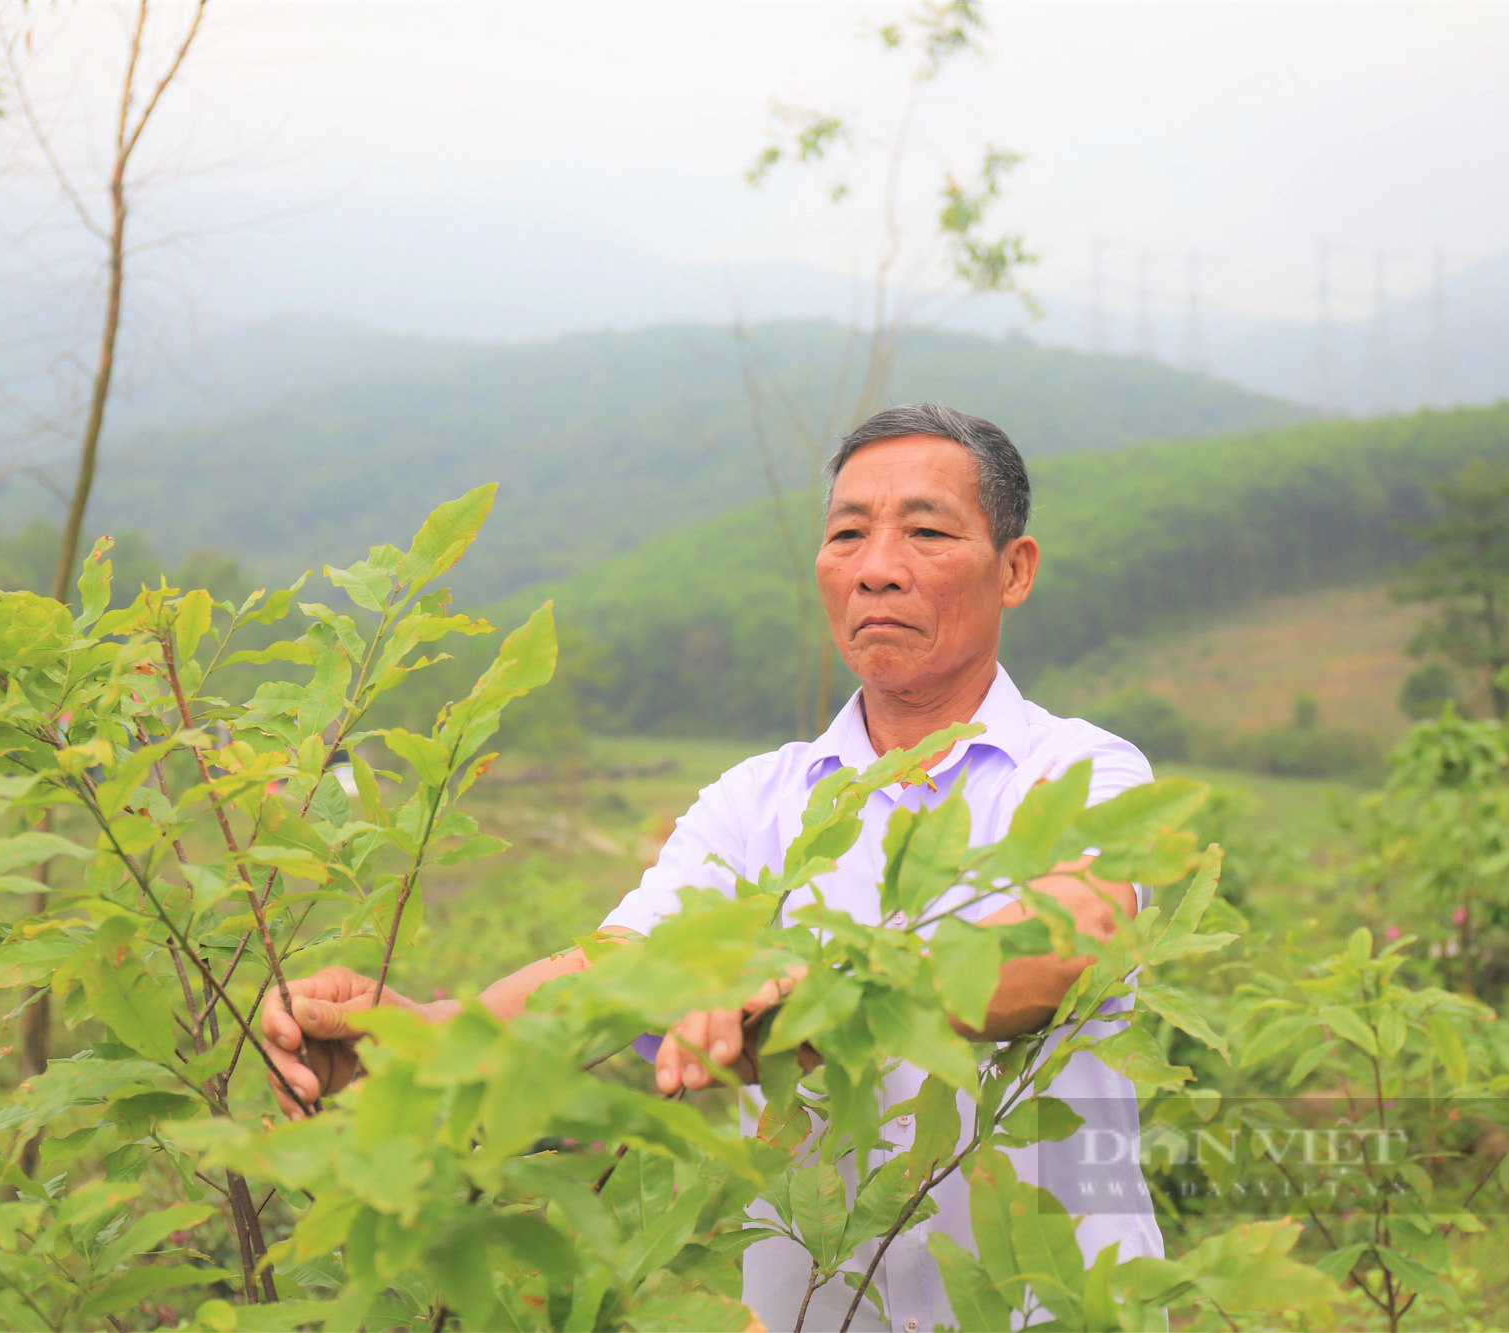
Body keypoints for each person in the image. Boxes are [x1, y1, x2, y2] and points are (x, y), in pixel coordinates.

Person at [262, 403, 1163, 1331]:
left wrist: (833, 991)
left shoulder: (1081, 769)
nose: (877, 567)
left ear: (1014, 569)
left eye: (927, 532)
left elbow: (1068, 938)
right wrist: (424, 1041)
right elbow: (609, 969)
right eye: (848, 533)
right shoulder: (758, 802)